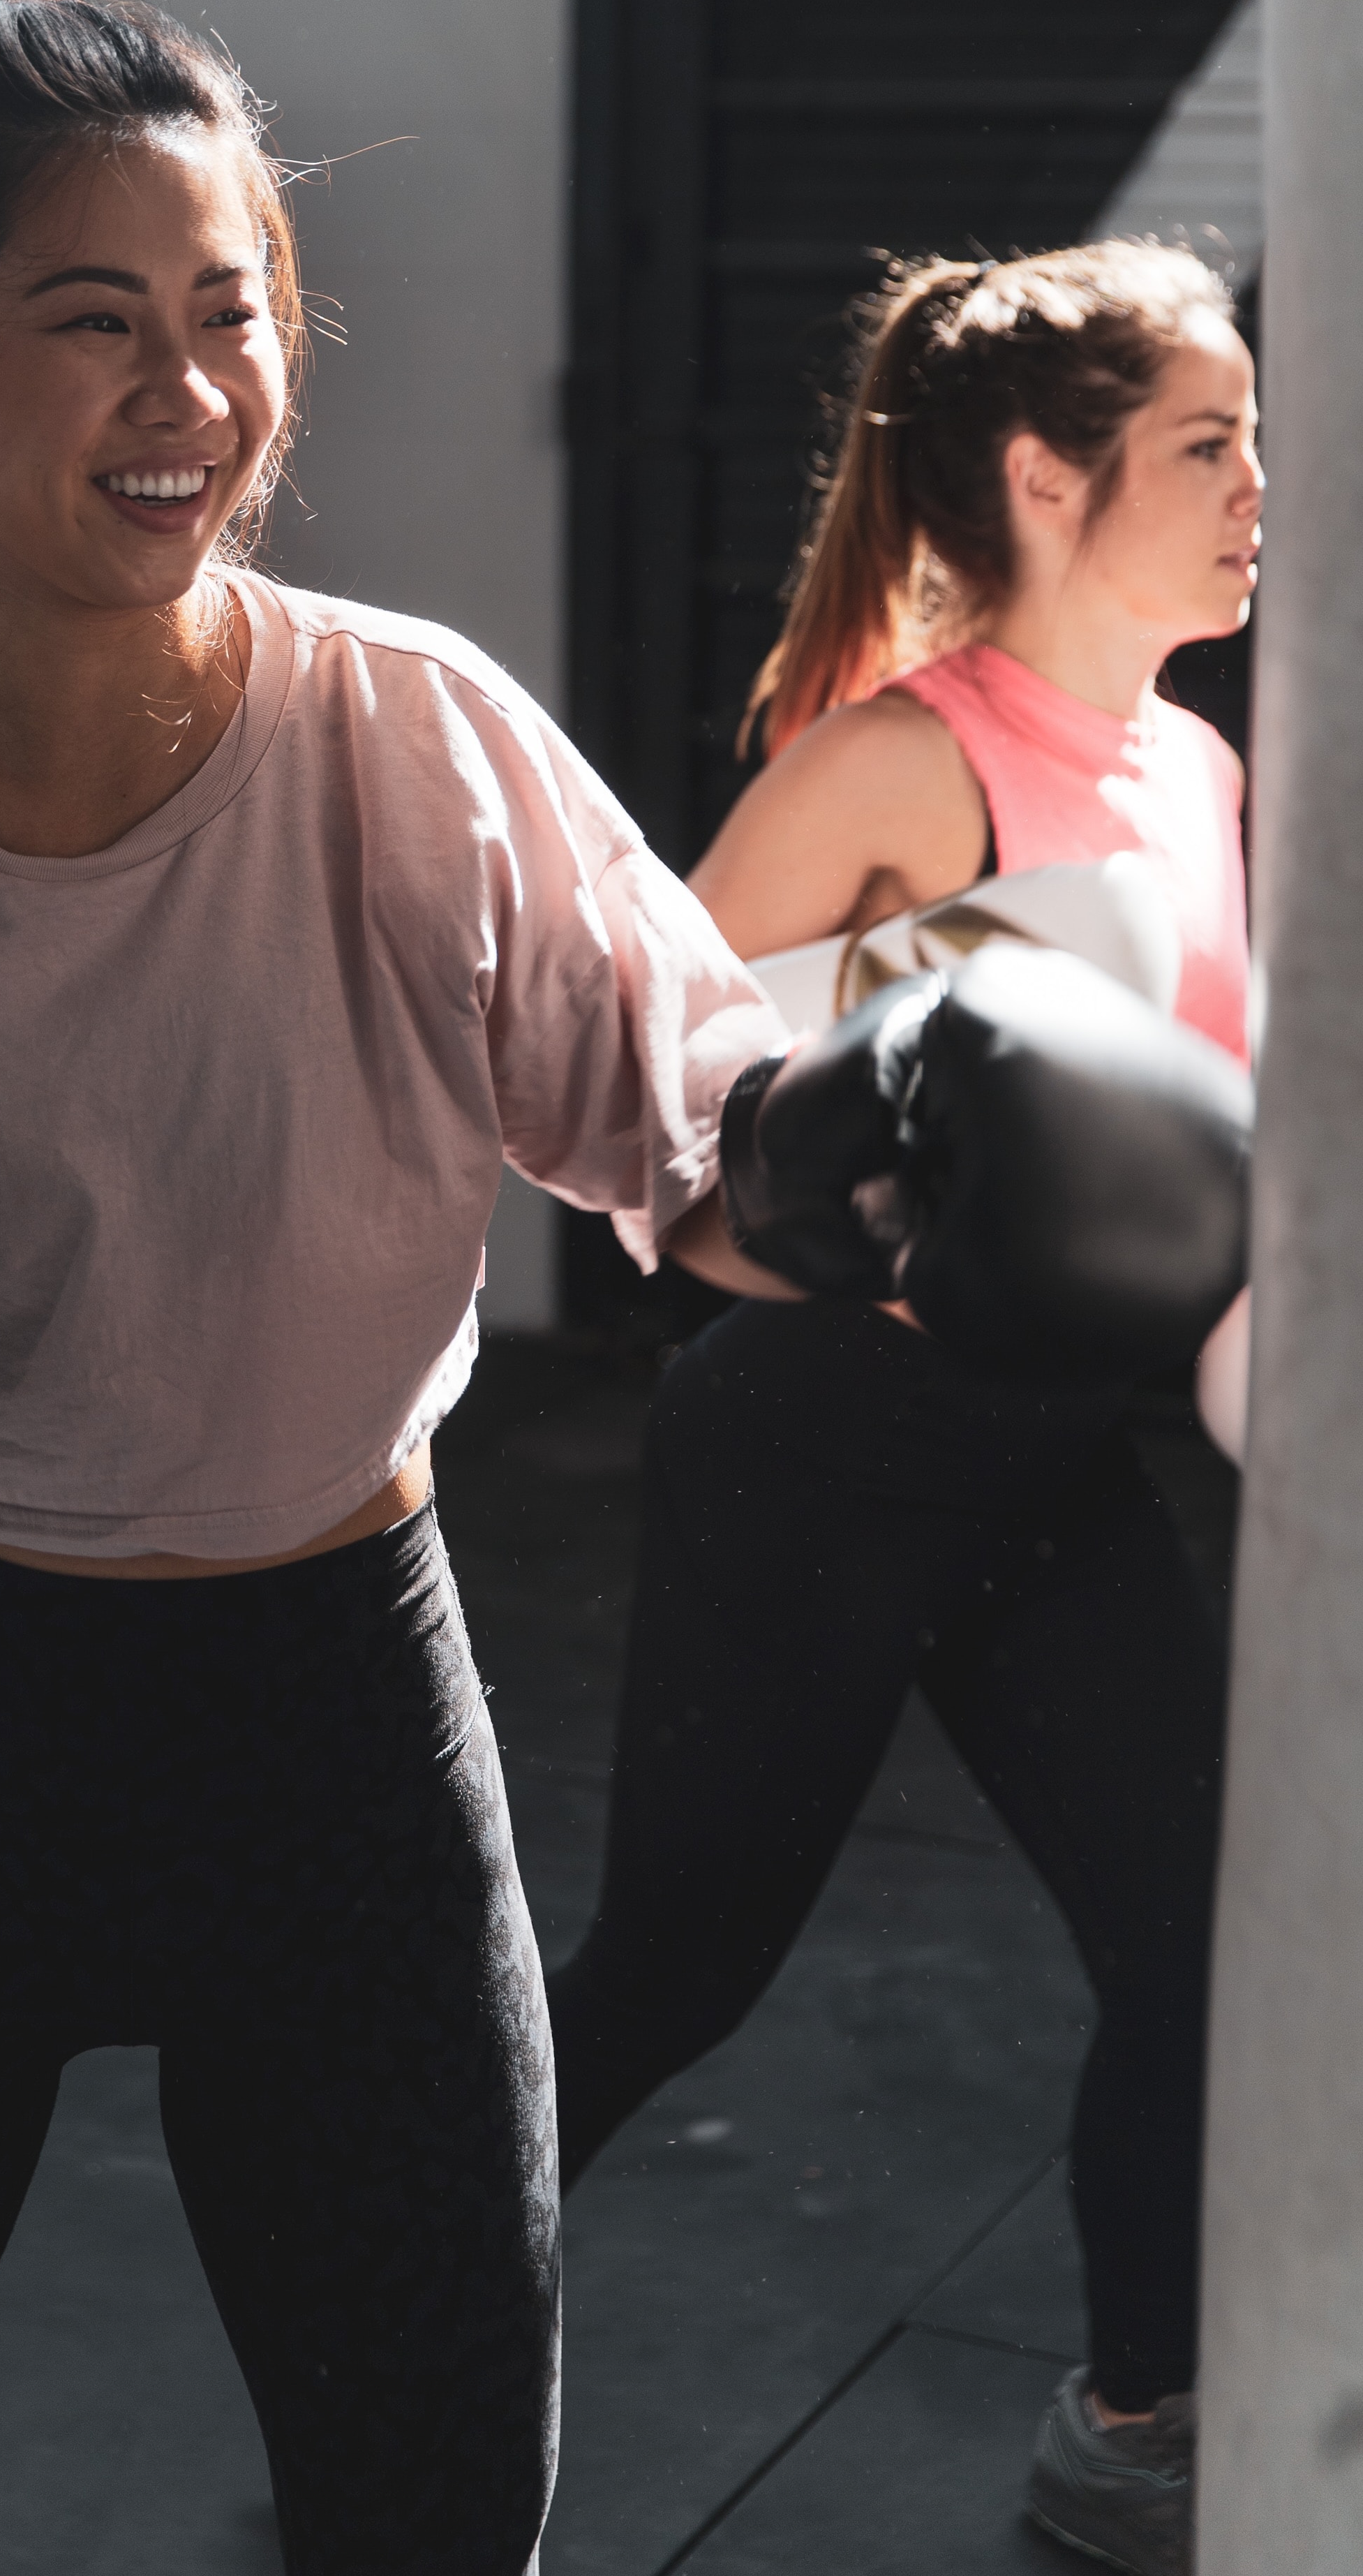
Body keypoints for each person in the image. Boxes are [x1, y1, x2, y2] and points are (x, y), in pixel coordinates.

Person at [0, 0, 791, 2575]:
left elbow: (696, 1120)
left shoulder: (416, 743)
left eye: (232, 319)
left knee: (438, 2513)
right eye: (94, 324)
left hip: (333, 1714)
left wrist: (871, 1171)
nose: (189, 395)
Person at [546, 242, 1260, 2576]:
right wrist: (896, 1208)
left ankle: (1134, 2431)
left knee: (1204, 1952)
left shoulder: (1198, 765)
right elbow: (669, 1144)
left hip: (1061, 1453)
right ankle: (375, 2264)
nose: (1265, 487)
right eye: (1208, 443)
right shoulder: (889, 760)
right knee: (681, 1968)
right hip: (827, 1444)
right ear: (1051, 477)